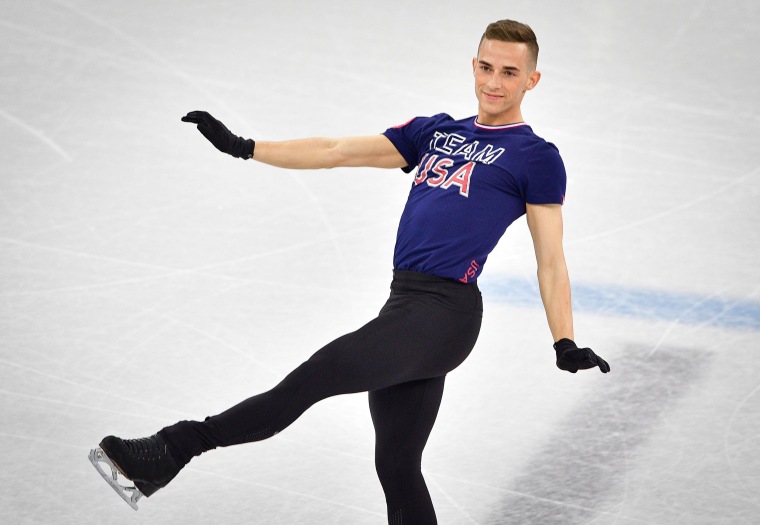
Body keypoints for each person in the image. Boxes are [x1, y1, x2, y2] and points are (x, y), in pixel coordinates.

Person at [89, 19, 610, 524]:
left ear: (532, 80)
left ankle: (168, 451)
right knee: (398, 466)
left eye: (510, 73)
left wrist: (563, 340)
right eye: (486, 67)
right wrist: (245, 148)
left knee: (309, 381)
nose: (494, 83)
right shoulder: (435, 132)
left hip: (444, 315)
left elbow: (551, 259)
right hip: (404, 304)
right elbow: (335, 151)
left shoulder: (535, 157)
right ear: (473, 66)